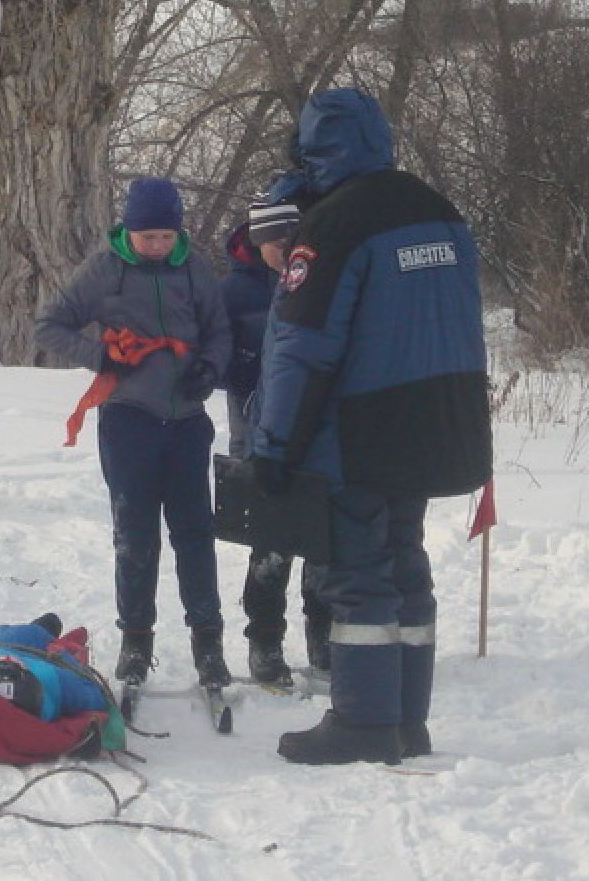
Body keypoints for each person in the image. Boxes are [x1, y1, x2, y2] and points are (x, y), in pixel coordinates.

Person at [250, 89, 491, 765]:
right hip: (437, 418)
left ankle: (361, 723)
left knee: (356, 574)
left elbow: (301, 345)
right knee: (406, 565)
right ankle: (406, 721)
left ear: (313, 150)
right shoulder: (439, 211)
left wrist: (273, 448)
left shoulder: (332, 226)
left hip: (358, 427)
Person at [35, 176, 234, 689]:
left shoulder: (194, 268)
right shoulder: (104, 270)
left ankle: (207, 639)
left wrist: (210, 367)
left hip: (187, 420)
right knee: (135, 536)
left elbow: (219, 328)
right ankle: (136, 640)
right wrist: (98, 355)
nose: (158, 246)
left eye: (167, 237)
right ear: (129, 230)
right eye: (149, 238)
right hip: (129, 419)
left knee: (195, 534)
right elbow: (49, 325)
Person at [220, 184, 330, 686]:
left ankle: (323, 636)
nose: (283, 252)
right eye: (275, 243)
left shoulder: (316, 277)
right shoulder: (237, 288)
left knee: (321, 534)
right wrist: (241, 368)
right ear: (257, 240)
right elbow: (213, 349)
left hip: (313, 421)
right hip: (254, 421)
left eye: (292, 241)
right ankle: (264, 641)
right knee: (270, 539)